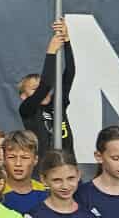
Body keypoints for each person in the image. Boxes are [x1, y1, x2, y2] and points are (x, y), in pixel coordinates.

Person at [18, 20, 76, 157]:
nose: (43, 93)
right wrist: (51, 52)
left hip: (66, 164)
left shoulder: (57, 103)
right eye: (34, 89)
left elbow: (69, 73)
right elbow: (45, 86)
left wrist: (66, 41)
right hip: (43, 166)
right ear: (23, 96)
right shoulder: (27, 110)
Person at [0, 130, 47, 216]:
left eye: (25, 157)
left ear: (35, 160)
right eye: (12, 157)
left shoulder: (44, 192)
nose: (18, 163)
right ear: (4, 159)